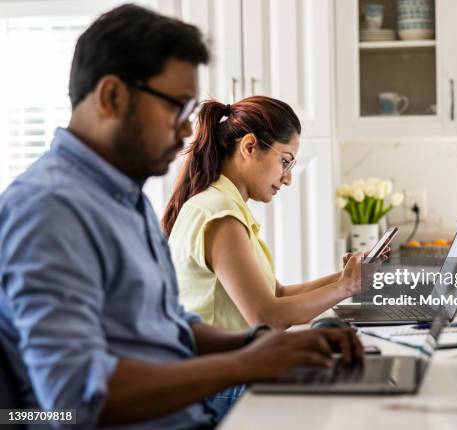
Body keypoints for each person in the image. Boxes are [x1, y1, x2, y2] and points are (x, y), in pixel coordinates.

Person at [0, 5, 362, 429]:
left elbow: (169, 326)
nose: (189, 130)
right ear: (112, 96)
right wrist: (245, 364)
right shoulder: (49, 210)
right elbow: (76, 401)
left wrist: (258, 342)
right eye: (177, 106)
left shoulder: (121, 199)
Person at [162, 97, 385, 331]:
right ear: (249, 147)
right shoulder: (220, 215)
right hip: (220, 365)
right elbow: (265, 316)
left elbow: (277, 294)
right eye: (285, 162)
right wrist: (347, 286)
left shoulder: (220, 206)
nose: (288, 178)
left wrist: (346, 278)